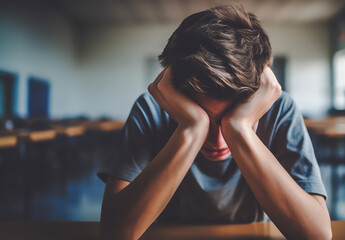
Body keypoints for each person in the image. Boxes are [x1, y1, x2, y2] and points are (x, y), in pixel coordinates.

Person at [98, 5, 332, 240]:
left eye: (230, 118)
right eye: (205, 117)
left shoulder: (280, 109)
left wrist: (239, 129)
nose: (217, 140)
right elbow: (114, 234)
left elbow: (317, 235)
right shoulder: (151, 109)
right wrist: (191, 129)